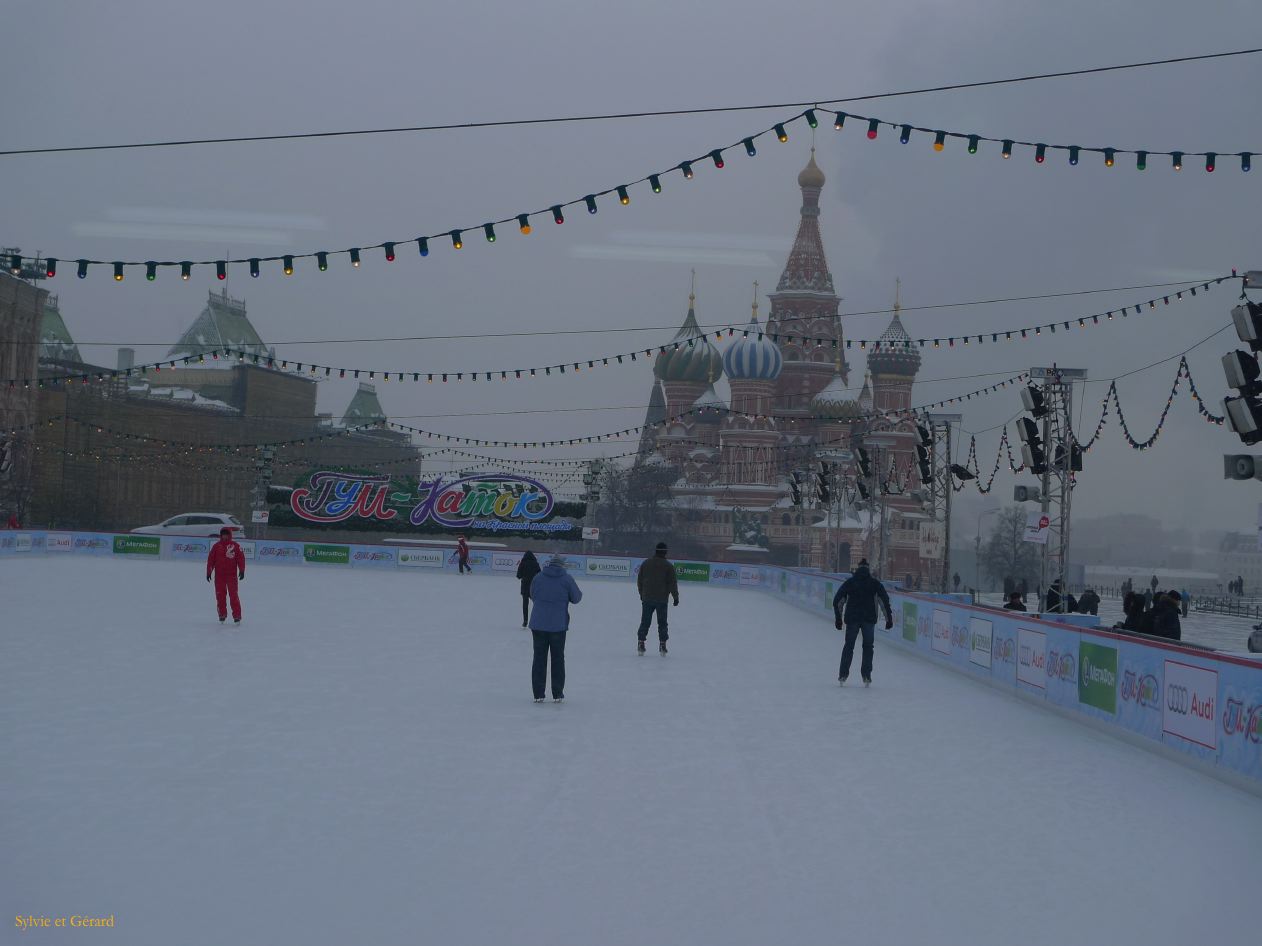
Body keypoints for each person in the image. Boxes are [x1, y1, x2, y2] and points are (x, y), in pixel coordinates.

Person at [528, 552, 582, 703]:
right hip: (558, 625)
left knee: (539, 658)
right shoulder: (567, 579)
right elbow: (576, 598)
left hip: (538, 624)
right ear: (562, 565)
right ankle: (557, 693)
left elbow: (532, 594)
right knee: (558, 659)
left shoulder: (538, 577)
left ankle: (538, 693)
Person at [832, 558, 893, 686]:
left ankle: (843, 675)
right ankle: (866, 676)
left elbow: (838, 600)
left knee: (849, 646)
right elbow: (884, 601)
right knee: (868, 647)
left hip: (852, 619)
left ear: (858, 568)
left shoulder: (850, 582)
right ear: (868, 569)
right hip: (868, 619)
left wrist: (838, 618)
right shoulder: (874, 583)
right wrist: (889, 619)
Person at [637, 541, 679, 655]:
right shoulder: (668, 566)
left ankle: (641, 642)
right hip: (661, 599)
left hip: (647, 598)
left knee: (645, 621)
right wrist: (675, 597)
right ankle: (662, 645)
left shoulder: (646, 563)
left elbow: (639, 580)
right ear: (665, 552)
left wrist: (642, 594)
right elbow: (672, 583)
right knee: (662, 623)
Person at [205, 526, 246, 624]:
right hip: (219, 576)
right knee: (220, 596)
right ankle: (222, 615)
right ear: (221, 535)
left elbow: (241, 558)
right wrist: (209, 572)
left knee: (233, 596)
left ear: (230, 535)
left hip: (231, 576)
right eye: (223, 535)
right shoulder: (216, 546)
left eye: (226, 535)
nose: (225, 537)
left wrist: (242, 570)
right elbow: (211, 560)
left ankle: (237, 616)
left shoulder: (235, 546)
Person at [515, 550, 540, 627]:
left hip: (525, 586)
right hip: (534, 586)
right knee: (536, 604)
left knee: (525, 604)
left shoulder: (522, 563)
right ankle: (537, 619)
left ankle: (525, 620)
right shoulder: (536, 564)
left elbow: (518, 576)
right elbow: (540, 574)